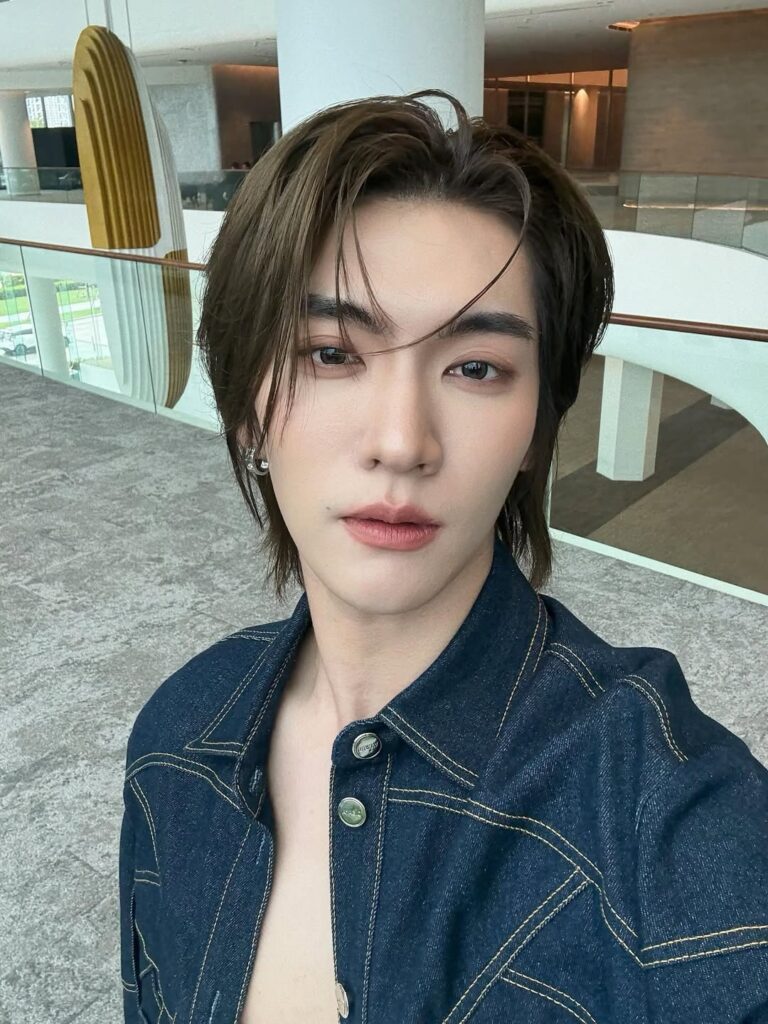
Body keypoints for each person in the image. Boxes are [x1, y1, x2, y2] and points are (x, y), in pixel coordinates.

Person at [119, 89, 768, 1023]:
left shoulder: (659, 811)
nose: (401, 442)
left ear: (536, 428)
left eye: (476, 368)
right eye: (332, 352)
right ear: (245, 403)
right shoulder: (177, 739)